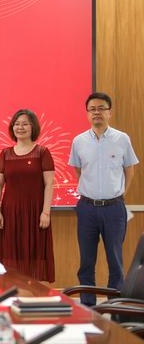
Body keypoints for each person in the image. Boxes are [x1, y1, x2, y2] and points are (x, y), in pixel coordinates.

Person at [69, 92, 138, 306]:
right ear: (87, 113)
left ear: (109, 112)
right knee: (86, 262)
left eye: (101, 108)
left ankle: (115, 307)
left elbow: (130, 170)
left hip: (114, 208)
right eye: (92, 109)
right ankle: (88, 306)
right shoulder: (78, 141)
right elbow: (78, 171)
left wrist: (120, 194)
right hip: (87, 208)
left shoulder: (122, 139)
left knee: (115, 261)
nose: (96, 112)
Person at [0, 109, 55, 282]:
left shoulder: (42, 152)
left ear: (33, 127)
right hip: (10, 213)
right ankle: (12, 291)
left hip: (35, 213)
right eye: (17, 124)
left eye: (25, 124)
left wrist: (46, 212)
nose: (20, 127)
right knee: (11, 255)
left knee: (34, 255)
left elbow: (49, 184)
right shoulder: (5, 154)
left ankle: (33, 292)